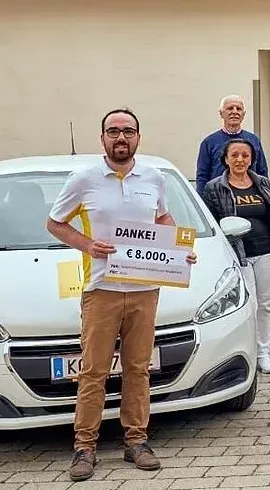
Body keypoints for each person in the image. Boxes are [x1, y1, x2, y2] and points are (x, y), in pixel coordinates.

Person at [46, 108, 198, 481]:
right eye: (113, 131)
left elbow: (162, 218)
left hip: (145, 289)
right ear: (102, 138)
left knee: (138, 369)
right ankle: (85, 447)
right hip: (101, 290)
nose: (121, 137)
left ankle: (136, 441)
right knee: (93, 371)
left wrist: (178, 250)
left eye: (128, 131)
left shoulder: (154, 177)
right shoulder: (83, 179)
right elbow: (55, 223)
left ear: (138, 138)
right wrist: (87, 245)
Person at [202, 138, 270, 374]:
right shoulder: (215, 187)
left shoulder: (262, 183)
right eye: (234, 155)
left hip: (268, 251)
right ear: (225, 159)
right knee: (248, 304)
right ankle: (247, 353)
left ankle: (263, 353)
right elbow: (211, 223)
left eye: (245, 155)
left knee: (265, 303)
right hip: (238, 253)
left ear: (252, 159)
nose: (240, 160)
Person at [195, 95, 269, 195]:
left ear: (243, 114)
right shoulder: (209, 143)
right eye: (230, 108)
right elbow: (202, 176)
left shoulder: (253, 140)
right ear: (221, 113)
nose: (235, 112)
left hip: (249, 197)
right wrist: (202, 200)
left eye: (238, 109)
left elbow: (262, 172)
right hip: (219, 197)